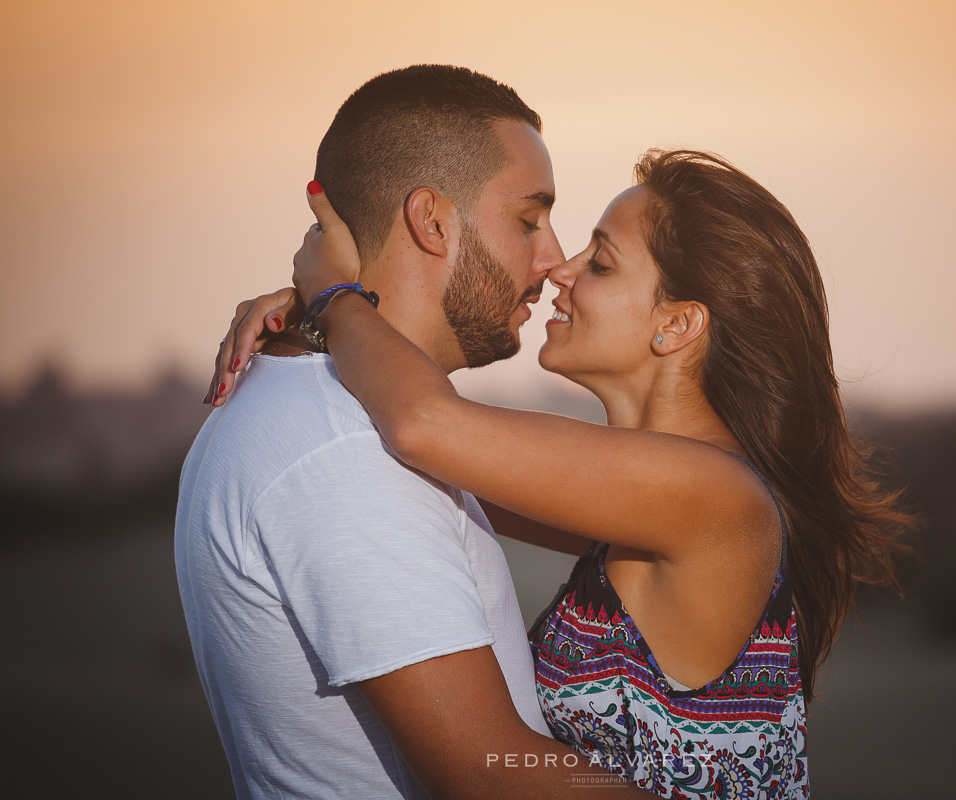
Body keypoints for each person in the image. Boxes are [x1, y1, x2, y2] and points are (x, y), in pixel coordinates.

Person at [213, 150, 913, 797]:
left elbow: (422, 425)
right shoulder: (661, 494)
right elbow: (437, 448)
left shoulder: (713, 494)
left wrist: (338, 296)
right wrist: (318, 323)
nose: (560, 271)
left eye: (601, 264)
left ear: (677, 326)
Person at [176, 64, 653, 800]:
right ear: (431, 220)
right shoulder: (346, 452)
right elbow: (490, 773)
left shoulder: (347, 421)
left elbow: (618, 518)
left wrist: (326, 308)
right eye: (529, 219)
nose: (554, 260)